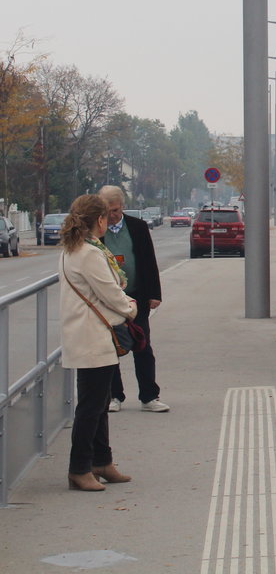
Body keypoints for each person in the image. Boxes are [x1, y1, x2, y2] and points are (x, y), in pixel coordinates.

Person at [59, 193, 138, 491]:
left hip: (87, 335)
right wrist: (132, 307)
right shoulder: (90, 253)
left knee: (100, 402)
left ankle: (102, 462)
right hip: (92, 337)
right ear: (100, 219)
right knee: (92, 406)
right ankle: (79, 468)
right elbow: (110, 293)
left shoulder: (75, 248)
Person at [98, 185, 169, 413]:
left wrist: (154, 294)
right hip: (108, 300)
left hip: (137, 297)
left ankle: (149, 396)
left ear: (122, 206)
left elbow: (149, 261)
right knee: (111, 348)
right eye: (107, 211)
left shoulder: (137, 227)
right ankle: (114, 396)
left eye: (115, 210)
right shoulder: (97, 232)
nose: (111, 216)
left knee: (142, 345)